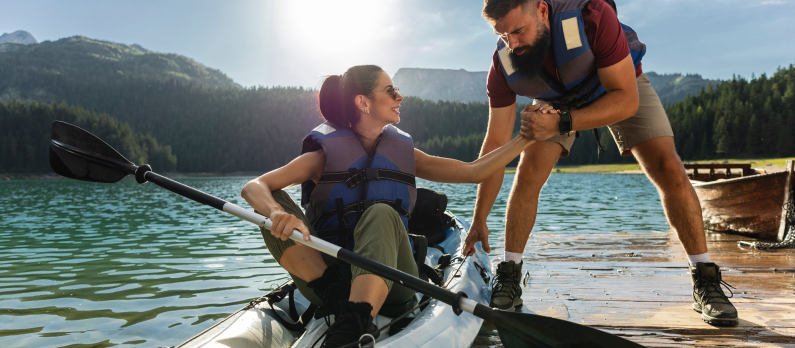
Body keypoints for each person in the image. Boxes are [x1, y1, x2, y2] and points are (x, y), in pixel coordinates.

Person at [462, 0, 738, 326]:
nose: (513, 44)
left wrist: (565, 122)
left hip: (616, 87)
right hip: (554, 101)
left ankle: (705, 279)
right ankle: (509, 273)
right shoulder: (503, 64)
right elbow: (495, 145)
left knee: (668, 166)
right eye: (502, 34)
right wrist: (478, 218)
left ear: (541, 9)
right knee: (527, 171)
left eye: (518, 30)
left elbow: (626, 98)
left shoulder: (593, 17)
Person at [241, 65, 534, 347]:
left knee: (382, 212)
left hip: (395, 282)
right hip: (328, 280)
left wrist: (527, 137)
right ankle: (337, 296)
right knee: (269, 204)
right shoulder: (322, 156)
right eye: (390, 90)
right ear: (363, 103)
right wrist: (277, 213)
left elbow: (474, 172)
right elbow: (254, 187)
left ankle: (354, 321)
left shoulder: (405, 154)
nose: (400, 97)